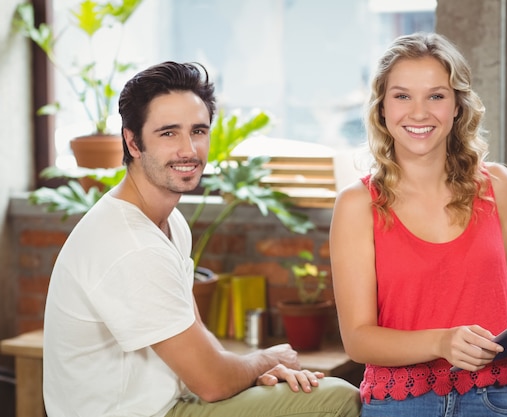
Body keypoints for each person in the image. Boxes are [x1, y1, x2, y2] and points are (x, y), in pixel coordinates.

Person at [43, 61, 360, 417]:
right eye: (168, 133)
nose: (189, 150)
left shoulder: (170, 222)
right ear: (133, 142)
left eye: (198, 131)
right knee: (337, 401)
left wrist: (255, 372)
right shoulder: (129, 243)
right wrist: (266, 358)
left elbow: (198, 340)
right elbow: (212, 383)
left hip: (174, 401)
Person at [329, 32, 507, 417]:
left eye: (436, 96)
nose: (419, 113)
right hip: (400, 406)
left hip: (492, 398)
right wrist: (441, 342)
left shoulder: (498, 186)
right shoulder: (357, 205)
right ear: (382, 108)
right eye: (402, 96)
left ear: (457, 105)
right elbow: (358, 339)